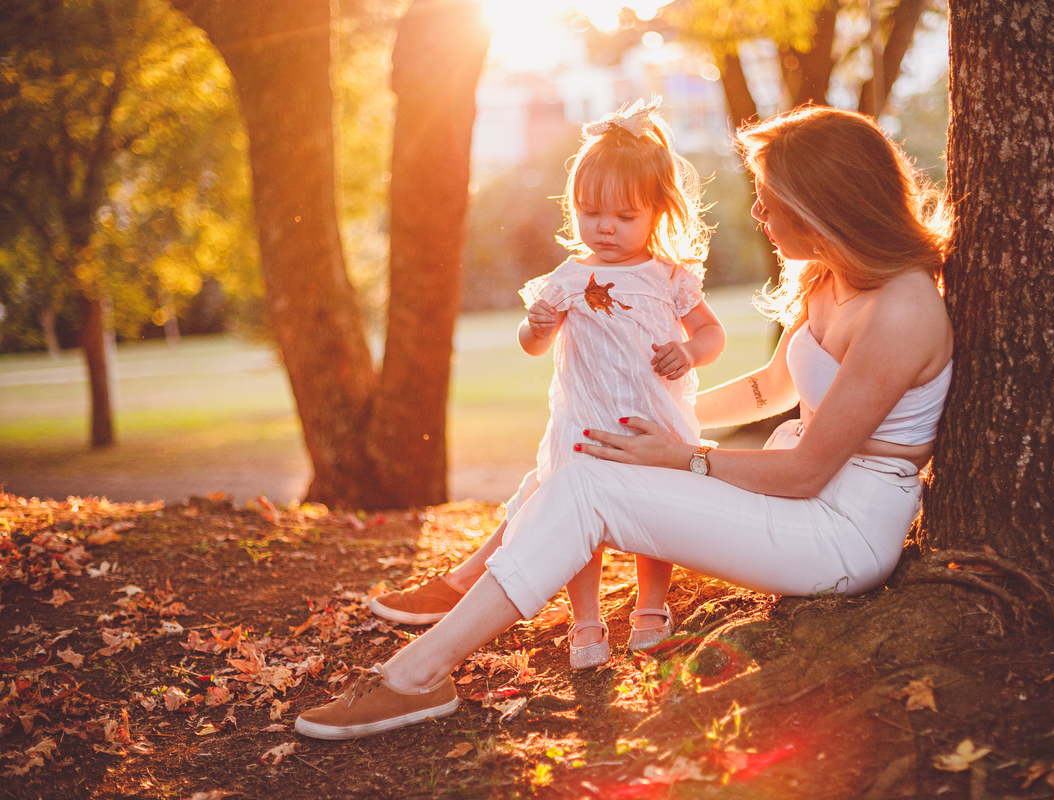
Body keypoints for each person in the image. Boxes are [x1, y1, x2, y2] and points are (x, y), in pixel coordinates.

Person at [295, 104, 954, 741]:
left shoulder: (902, 310)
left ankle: (417, 674)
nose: (758, 213)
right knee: (588, 456)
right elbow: (769, 389)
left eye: (769, 199)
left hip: (839, 533)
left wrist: (680, 454)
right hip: (797, 496)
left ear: (821, 205)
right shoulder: (829, 278)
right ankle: (447, 620)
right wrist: (647, 426)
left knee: (589, 486)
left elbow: (807, 472)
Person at [368, 98, 726, 670]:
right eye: (590, 212)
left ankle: (651, 606)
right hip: (583, 422)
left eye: (625, 215)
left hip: (651, 420)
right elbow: (533, 345)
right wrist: (535, 326)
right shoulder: (568, 277)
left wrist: (689, 351)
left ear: (657, 211)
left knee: (656, 514)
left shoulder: (669, 278)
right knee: (573, 521)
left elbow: (711, 333)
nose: (605, 227)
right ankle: (587, 620)